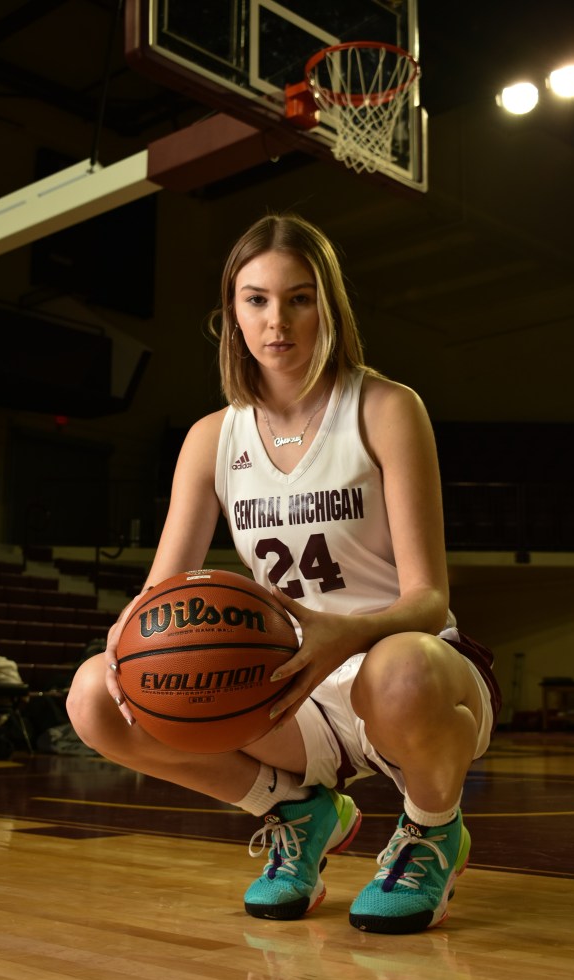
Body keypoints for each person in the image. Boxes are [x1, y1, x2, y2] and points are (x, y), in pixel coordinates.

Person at [67, 212, 501, 935]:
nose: (278, 321)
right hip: (290, 687)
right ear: (231, 315)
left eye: (299, 298)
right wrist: (123, 643)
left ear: (328, 304)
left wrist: (343, 634)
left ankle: (431, 830)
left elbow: (429, 599)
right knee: (94, 697)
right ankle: (291, 811)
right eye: (256, 300)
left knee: (396, 670)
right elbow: (159, 591)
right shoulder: (212, 438)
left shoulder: (386, 407)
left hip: (411, 676)